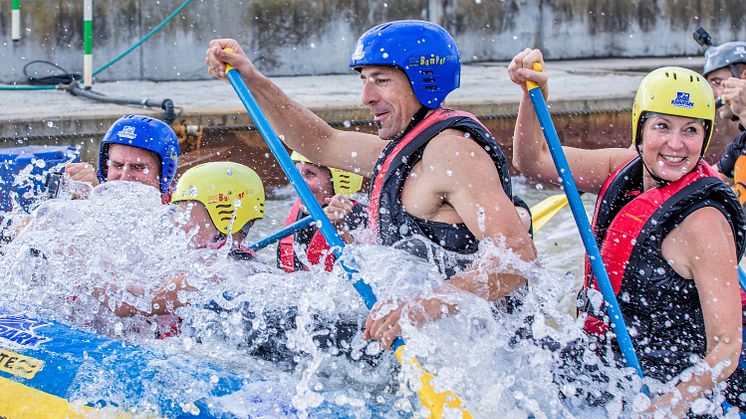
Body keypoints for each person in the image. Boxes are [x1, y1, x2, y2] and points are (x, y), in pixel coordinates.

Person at [206, 20, 537, 350]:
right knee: (235, 302)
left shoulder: (452, 153)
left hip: (467, 346)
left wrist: (422, 307)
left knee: (237, 323)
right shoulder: (406, 147)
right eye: (365, 80)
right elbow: (318, 142)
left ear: (423, 80)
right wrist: (251, 78)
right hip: (413, 333)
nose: (366, 96)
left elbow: (517, 258)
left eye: (381, 80)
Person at [509, 49, 746, 413]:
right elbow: (533, 162)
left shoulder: (705, 224)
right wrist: (532, 94)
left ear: (705, 135)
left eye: (691, 130)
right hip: (607, 361)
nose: (676, 144)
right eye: (662, 126)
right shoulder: (620, 167)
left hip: (674, 382)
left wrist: (667, 406)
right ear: (639, 128)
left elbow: (727, 349)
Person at [105, 161, 266, 320]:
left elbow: (130, 304)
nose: (176, 221)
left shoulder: (223, 271)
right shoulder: (201, 258)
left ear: (223, 217)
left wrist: (84, 269)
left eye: (185, 211)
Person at [278, 151, 366, 272]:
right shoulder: (298, 219)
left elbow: (368, 268)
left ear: (336, 181)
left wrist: (342, 233)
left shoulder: (360, 217)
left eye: (310, 174)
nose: (298, 184)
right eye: (297, 174)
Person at [65, 114, 180, 200]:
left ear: (163, 174)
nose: (125, 177)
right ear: (106, 168)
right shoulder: (85, 197)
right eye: (117, 165)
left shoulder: (178, 215)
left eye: (137, 167)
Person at [704, 42, 746, 201]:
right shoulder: (740, 145)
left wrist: (744, 110)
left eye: (716, 82)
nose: (712, 94)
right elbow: (705, 182)